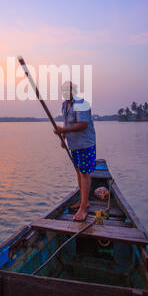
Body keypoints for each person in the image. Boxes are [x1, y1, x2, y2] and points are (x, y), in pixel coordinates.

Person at [54, 81, 96, 221]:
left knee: (84, 174)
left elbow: (83, 124)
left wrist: (63, 130)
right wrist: (63, 138)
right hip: (74, 145)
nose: (66, 93)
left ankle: (83, 208)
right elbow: (66, 123)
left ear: (74, 91)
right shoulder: (64, 105)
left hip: (85, 144)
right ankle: (84, 201)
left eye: (69, 90)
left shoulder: (81, 103)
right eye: (64, 90)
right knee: (79, 172)